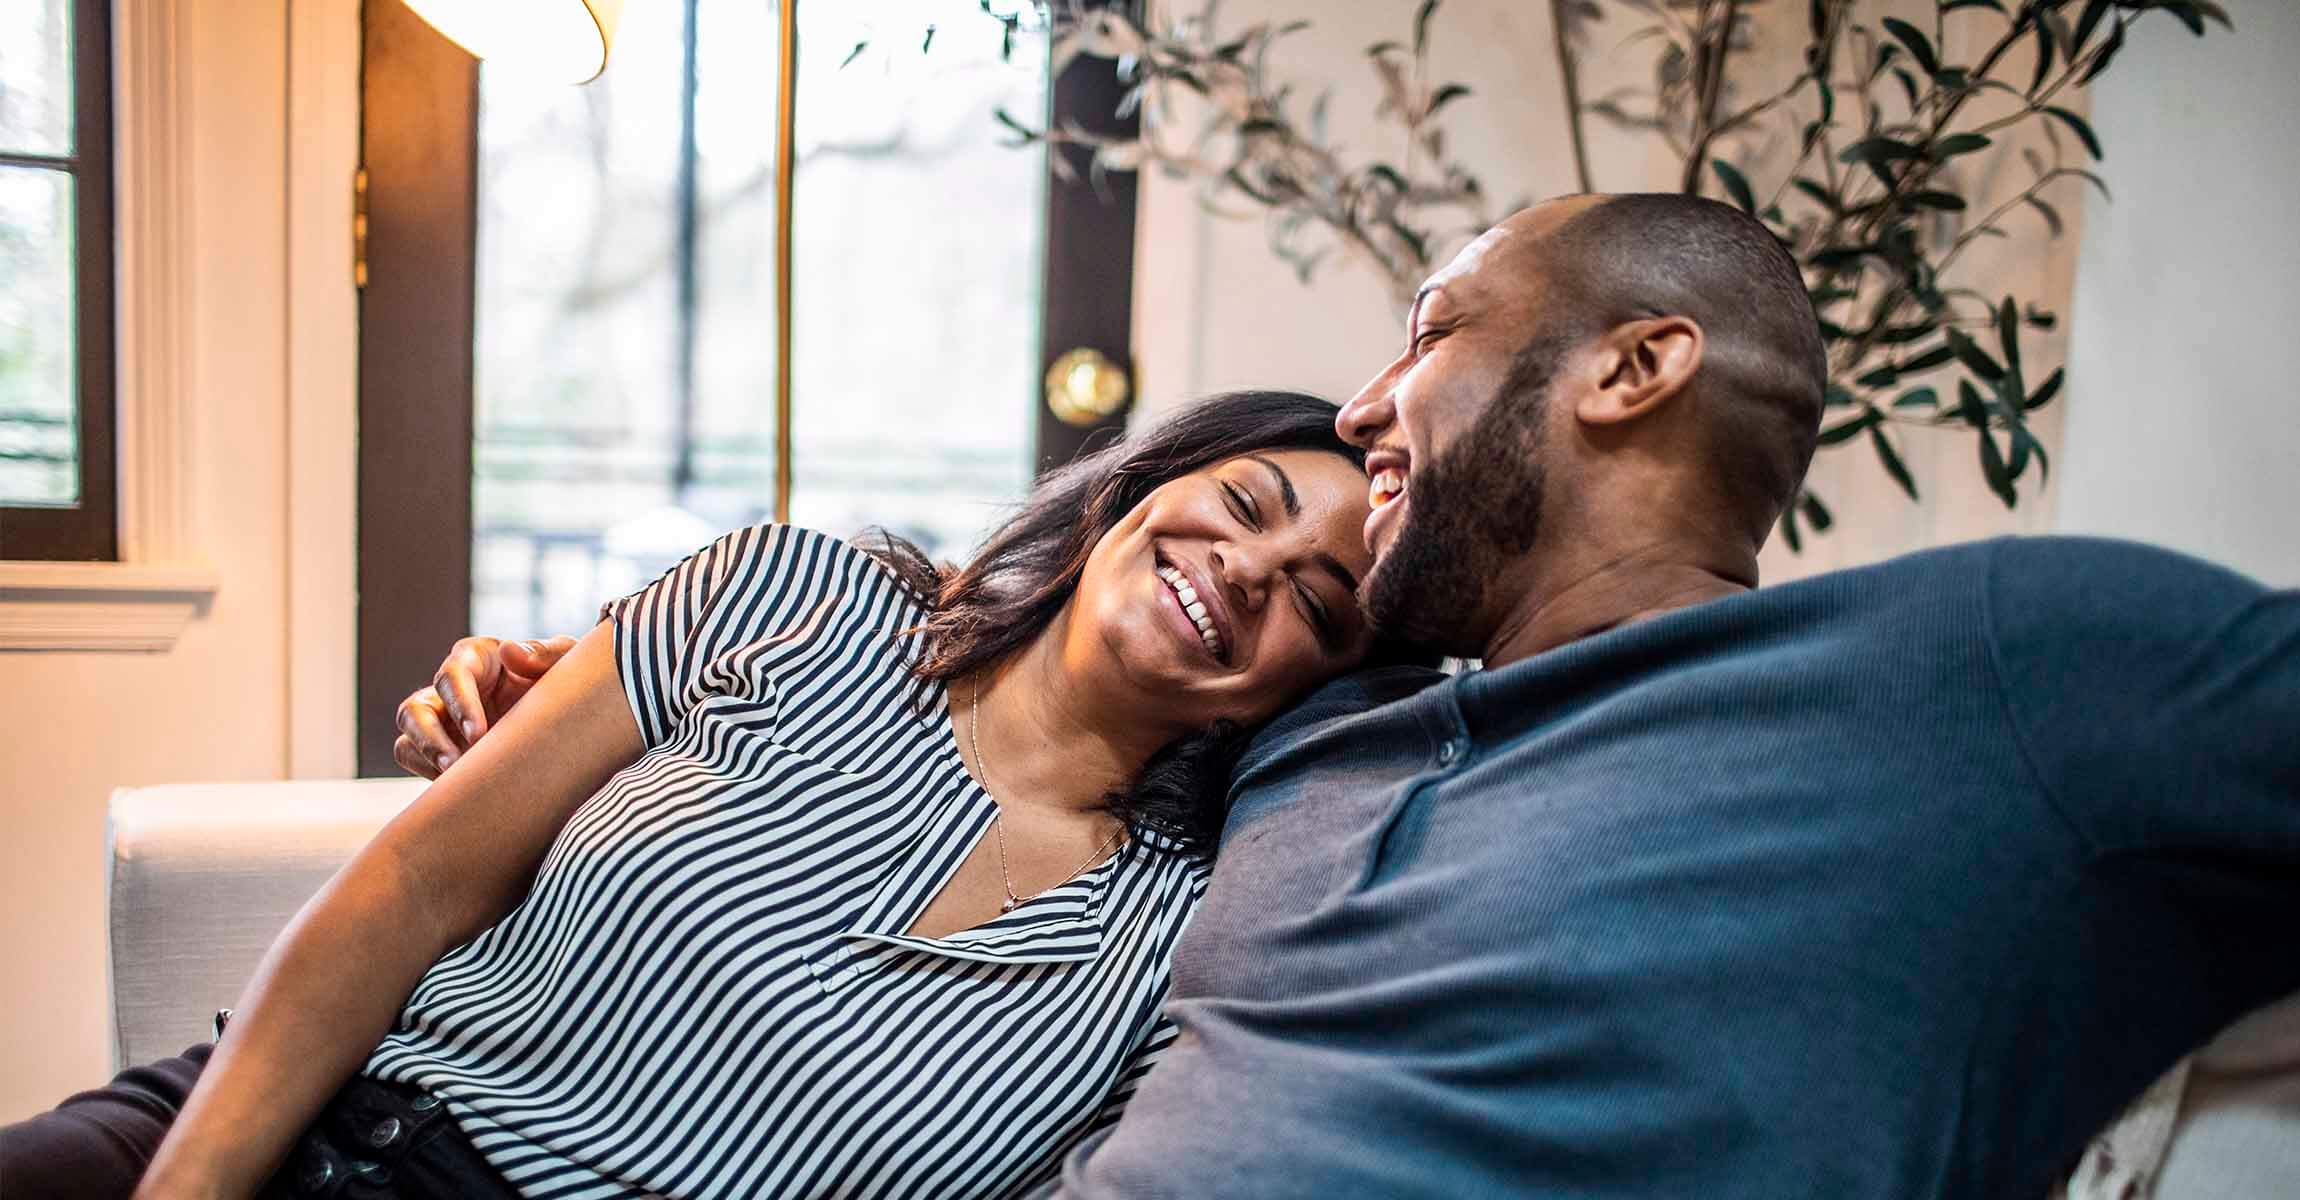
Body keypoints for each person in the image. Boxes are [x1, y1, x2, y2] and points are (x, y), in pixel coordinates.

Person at [403, 193, 2300, 1200]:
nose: (1370, 407)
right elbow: (994, 691)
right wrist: (573, 701)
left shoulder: (1992, 678)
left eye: (1428, 334)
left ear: (1633, 368)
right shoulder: (1313, 730)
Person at [1, 391, 1413, 1200]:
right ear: (1137, 493)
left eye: (1322, 601)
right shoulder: (796, 591)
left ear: (1309, 687)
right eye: (1244, 504)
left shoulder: (1189, 928)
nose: (1249, 570)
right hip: (298, 1126)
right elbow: (406, 889)